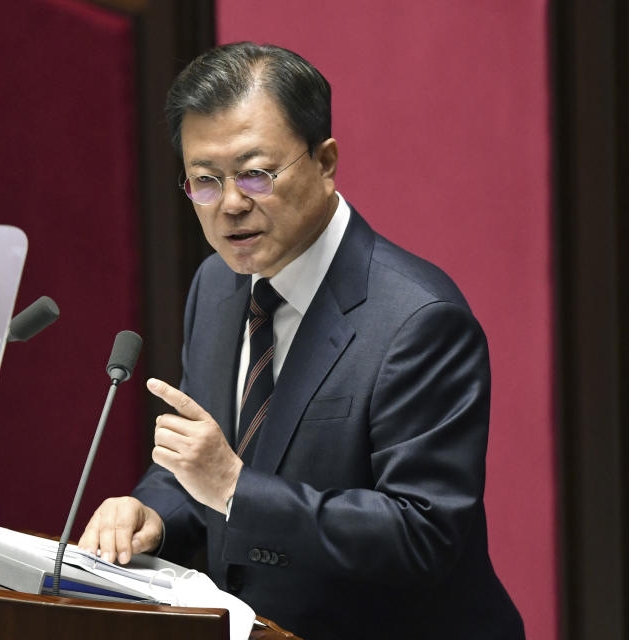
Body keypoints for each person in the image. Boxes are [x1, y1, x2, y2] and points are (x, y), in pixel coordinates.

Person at [78, 42, 524, 639]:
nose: (230, 204)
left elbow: (423, 536)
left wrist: (235, 489)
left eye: (255, 173)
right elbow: (205, 462)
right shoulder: (217, 284)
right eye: (204, 182)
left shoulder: (419, 320)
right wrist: (152, 511)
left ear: (326, 161)